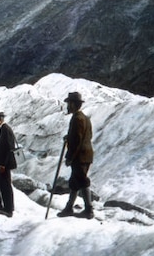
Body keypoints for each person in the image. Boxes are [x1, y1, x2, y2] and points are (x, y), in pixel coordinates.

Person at [58, 91, 94, 219]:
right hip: (85, 154)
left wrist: (69, 157)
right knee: (75, 181)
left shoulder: (77, 119)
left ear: (73, 104)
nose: (68, 106)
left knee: (82, 181)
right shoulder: (84, 118)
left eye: (69, 103)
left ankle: (89, 209)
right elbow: (86, 135)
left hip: (80, 156)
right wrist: (69, 136)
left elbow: (77, 141)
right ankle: (69, 208)